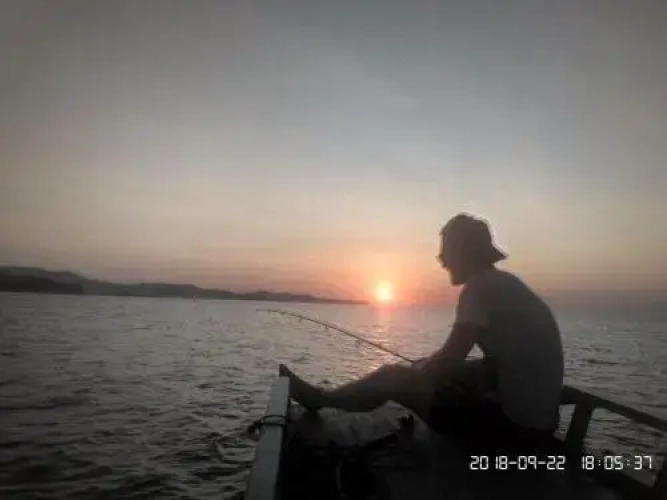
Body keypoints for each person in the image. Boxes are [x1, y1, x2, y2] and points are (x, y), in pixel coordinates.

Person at [279, 213, 564, 447]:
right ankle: (333, 396)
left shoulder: (478, 289)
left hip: (512, 434)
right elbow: (490, 364)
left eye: (446, 252)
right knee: (440, 369)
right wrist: (429, 368)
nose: (442, 260)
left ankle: (322, 399)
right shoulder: (505, 284)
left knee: (393, 376)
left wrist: (416, 374)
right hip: (540, 427)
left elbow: (450, 358)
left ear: (464, 253)